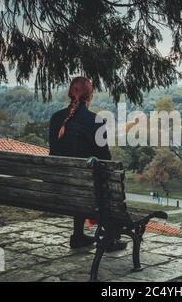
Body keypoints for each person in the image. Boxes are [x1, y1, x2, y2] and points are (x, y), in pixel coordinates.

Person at [49, 77, 125, 251]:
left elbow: (54, 152)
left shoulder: (56, 118)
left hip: (58, 186)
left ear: (70, 94)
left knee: (83, 181)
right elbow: (105, 159)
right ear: (89, 96)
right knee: (103, 181)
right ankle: (109, 239)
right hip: (84, 190)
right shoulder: (95, 120)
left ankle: (78, 235)